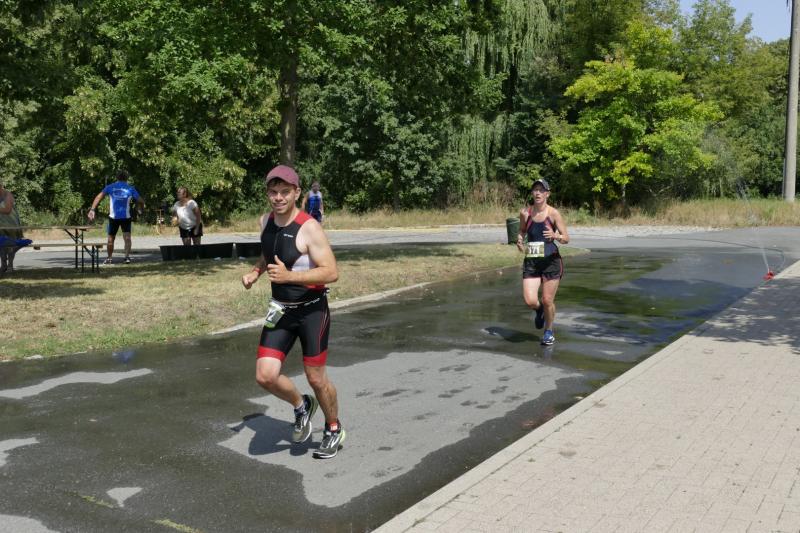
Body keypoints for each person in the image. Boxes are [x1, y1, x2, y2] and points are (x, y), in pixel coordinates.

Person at [241, 165, 345, 459]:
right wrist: (255, 272)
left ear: (297, 193)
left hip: (312, 312)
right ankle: (302, 406)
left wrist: (290, 277)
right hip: (281, 311)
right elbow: (269, 252)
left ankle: (333, 427)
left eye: (285, 192)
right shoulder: (265, 221)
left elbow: (331, 272)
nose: (278, 197)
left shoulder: (309, 227)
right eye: (273, 192)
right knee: (265, 376)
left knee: (316, 378)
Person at [516, 178, 569, 346]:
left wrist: (555, 236)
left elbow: (566, 238)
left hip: (551, 261)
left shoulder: (553, 213)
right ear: (532, 193)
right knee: (530, 300)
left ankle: (549, 331)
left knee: (547, 300)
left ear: (547, 194)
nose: (537, 193)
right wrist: (519, 239)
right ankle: (539, 311)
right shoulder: (525, 213)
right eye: (535, 190)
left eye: (541, 190)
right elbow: (522, 230)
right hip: (532, 262)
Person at [87, 170, 145, 265]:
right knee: (127, 238)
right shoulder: (130, 188)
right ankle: (126, 257)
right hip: (125, 217)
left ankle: (109, 258)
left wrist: (92, 209)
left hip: (113, 217)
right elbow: (141, 200)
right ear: (127, 178)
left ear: (117, 177)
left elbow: (98, 197)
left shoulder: (110, 187)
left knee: (111, 239)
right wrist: (140, 208)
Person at [0, 182, 24, 275]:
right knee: (1, 245)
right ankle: (3, 265)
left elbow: (7, 210)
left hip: (11, 225)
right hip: (1, 226)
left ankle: (10, 266)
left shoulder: (8, 195)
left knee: (10, 245)